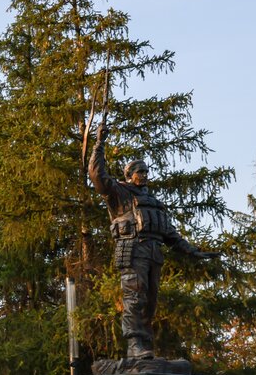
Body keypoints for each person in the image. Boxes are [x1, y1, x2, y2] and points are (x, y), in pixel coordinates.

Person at [88, 142, 219, 359]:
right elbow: (97, 176)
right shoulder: (120, 193)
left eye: (147, 171)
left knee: (150, 302)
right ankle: (134, 345)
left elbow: (171, 235)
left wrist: (194, 252)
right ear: (129, 175)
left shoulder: (154, 203)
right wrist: (98, 146)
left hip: (154, 253)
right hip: (132, 249)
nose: (145, 175)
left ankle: (145, 347)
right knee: (134, 298)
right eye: (140, 171)